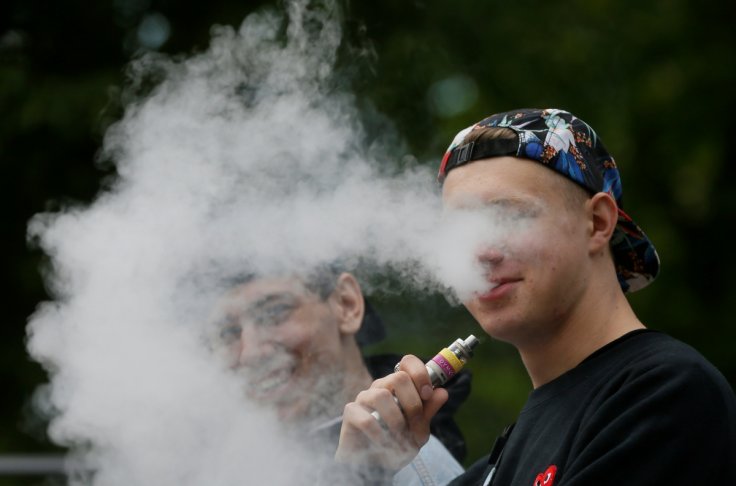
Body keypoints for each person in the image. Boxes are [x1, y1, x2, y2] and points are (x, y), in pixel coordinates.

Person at [334, 108, 736, 485]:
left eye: (509, 216)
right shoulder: (503, 457)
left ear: (597, 223)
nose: (481, 253)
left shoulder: (665, 394)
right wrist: (358, 473)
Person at [208, 266, 468, 485]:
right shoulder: (232, 468)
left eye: (274, 313)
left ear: (346, 304)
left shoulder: (412, 470)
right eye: (228, 333)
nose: (249, 354)